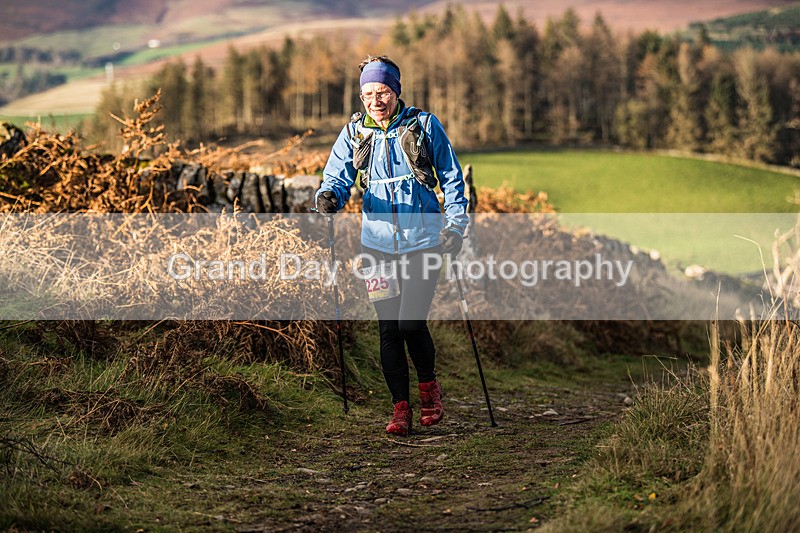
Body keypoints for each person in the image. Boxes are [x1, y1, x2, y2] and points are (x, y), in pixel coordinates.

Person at [315, 55, 468, 436]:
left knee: (410, 323)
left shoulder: (424, 125)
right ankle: (401, 410)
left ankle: (429, 390)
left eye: (382, 91)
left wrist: (456, 226)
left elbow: (451, 178)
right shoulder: (354, 133)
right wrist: (329, 197)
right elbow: (336, 177)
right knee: (388, 329)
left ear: (396, 91)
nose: (375, 100)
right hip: (376, 247)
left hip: (424, 242)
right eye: (368, 93)